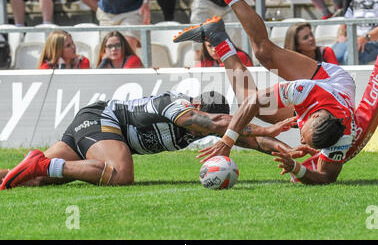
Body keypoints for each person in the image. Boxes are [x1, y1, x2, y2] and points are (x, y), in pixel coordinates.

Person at [174, 0, 359, 185]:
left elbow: (326, 177)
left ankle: (217, 38)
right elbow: (256, 100)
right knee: (264, 53)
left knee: (247, 102)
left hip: (328, 104)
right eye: (304, 134)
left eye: (304, 139)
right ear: (317, 116)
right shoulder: (306, 91)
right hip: (329, 81)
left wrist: (296, 169)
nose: (300, 138)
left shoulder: (342, 137)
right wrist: (227, 141)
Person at [0, 90, 295, 189]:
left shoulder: (208, 125)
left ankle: (37, 167)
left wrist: (291, 153)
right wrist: (268, 127)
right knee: (119, 175)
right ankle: (42, 163)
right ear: (197, 108)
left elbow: (251, 141)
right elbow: (220, 123)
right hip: (102, 119)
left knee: (31, 180)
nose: (200, 133)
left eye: (205, 133)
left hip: (98, 132)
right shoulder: (176, 106)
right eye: (203, 126)